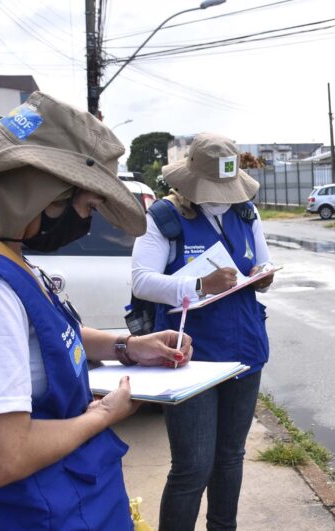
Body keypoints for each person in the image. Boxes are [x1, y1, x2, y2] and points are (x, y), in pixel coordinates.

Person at [0, 92, 193, 530]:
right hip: (31, 514)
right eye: (86, 207)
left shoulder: (2, 256)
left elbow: (41, 333)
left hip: (59, 504)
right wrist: (103, 416)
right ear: (41, 193)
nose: (85, 223)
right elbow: (3, 457)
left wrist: (127, 345)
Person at [132, 132, 274, 530]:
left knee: (230, 457)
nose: (223, 196)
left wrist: (261, 277)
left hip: (245, 350)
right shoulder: (164, 218)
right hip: (188, 357)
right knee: (193, 465)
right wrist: (198, 285)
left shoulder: (246, 212)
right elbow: (141, 280)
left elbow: (261, 263)